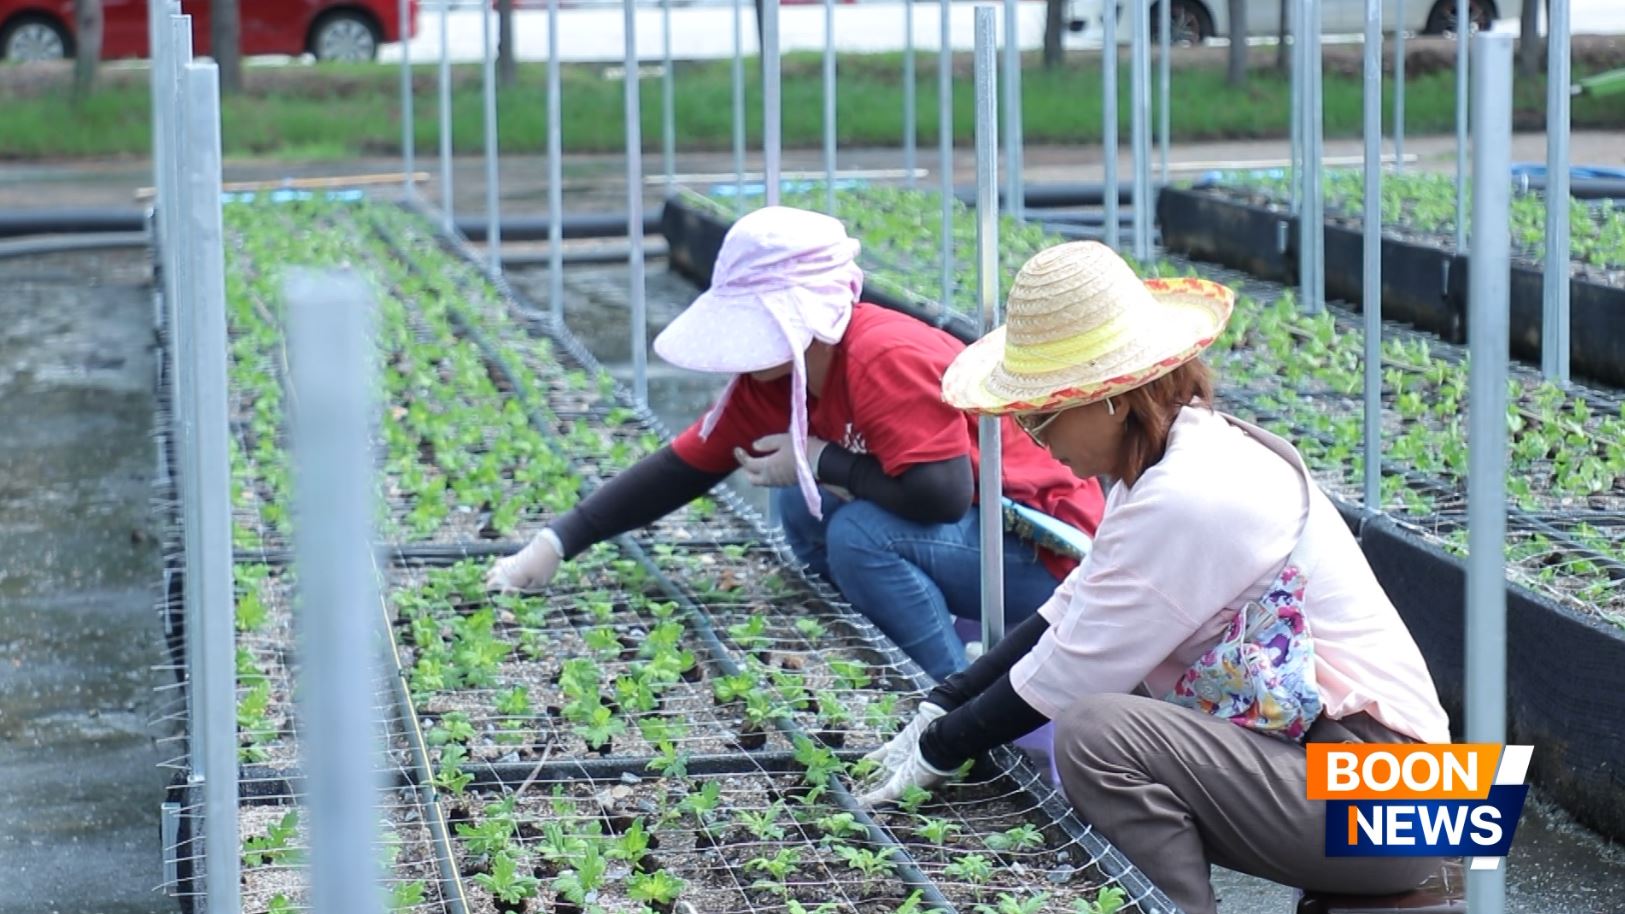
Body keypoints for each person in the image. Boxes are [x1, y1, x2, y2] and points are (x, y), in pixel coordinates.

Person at [856, 241, 1451, 914]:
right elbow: (1068, 612)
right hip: (1380, 787)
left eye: (1042, 413)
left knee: (1096, 734)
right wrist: (944, 702)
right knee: (1109, 715)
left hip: (1404, 805)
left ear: (1111, 398)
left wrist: (941, 748)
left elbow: (1071, 669)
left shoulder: (1191, 494)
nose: (1034, 437)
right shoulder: (1167, 465)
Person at [486, 206, 1106, 680]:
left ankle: (951, 696)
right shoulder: (774, 377)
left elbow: (942, 494)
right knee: (802, 503)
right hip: (972, 534)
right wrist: (556, 543)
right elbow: (684, 466)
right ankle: (869, 645)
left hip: (1044, 551)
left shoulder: (883, 356)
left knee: (859, 534)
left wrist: (824, 460)